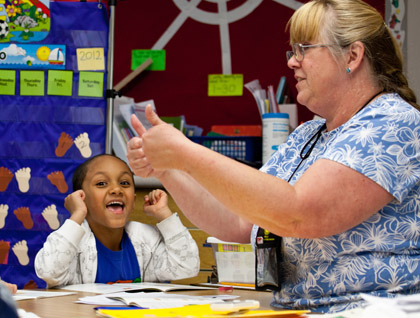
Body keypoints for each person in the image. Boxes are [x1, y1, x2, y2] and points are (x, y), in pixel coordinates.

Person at [126, 0, 420, 313]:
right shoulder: (309, 135)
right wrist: (169, 168)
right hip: (300, 309)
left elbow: (299, 213)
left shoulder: (393, 122)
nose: (293, 62)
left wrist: (186, 152)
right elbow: (239, 221)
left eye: (304, 49)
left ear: (353, 55)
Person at [35, 154, 199, 288]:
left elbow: (187, 268)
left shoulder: (147, 239)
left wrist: (164, 214)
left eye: (124, 183)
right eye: (101, 183)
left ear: (133, 201)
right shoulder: (72, 243)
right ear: (81, 199)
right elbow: (49, 271)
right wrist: (77, 215)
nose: (116, 189)